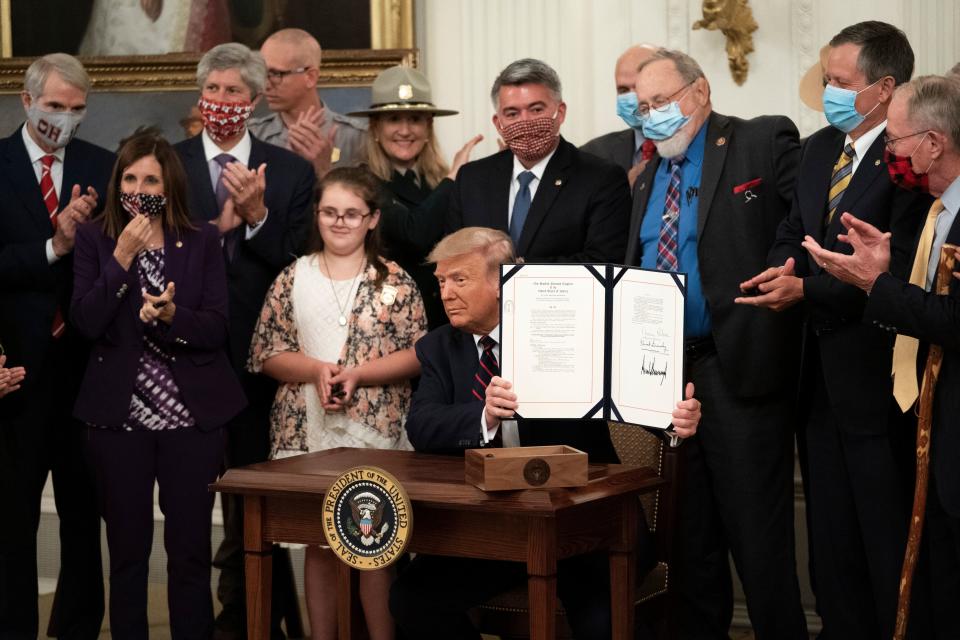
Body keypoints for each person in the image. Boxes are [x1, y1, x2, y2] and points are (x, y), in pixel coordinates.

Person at [390, 226, 701, 640]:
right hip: (496, 532)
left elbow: (646, 407)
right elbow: (421, 427)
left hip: (586, 525)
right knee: (411, 599)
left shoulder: (569, 331)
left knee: (601, 623)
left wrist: (675, 420)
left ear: (502, 282)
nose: (446, 293)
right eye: (441, 281)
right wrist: (484, 416)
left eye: (459, 280)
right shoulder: (439, 348)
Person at [735, 22, 930, 639]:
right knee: (830, 546)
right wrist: (781, 270)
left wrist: (807, 289)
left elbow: (897, 268)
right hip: (811, 379)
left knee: (882, 539)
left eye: (841, 82)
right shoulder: (820, 148)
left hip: (877, 380)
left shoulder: (906, 159)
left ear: (883, 88)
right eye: (826, 80)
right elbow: (794, 230)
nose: (829, 92)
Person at [625, 48, 807, 639]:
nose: (652, 116)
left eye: (663, 101)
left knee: (759, 542)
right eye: (644, 107)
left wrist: (792, 264)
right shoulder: (648, 174)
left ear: (700, 92)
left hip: (740, 369)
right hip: (666, 379)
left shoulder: (760, 140)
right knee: (688, 543)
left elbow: (806, 223)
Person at [70, 128, 245, 639]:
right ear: (116, 182)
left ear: (169, 186)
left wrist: (172, 316)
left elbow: (216, 327)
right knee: (127, 552)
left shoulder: (202, 238)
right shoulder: (94, 239)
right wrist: (122, 258)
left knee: (189, 552)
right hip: (117, 418)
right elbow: (85, 322)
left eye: (151, 178)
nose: (139, 186)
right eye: (129, 177)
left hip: (190, 420)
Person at [803, 74, 960, 639]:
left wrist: (876, 285)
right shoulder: (939, 209)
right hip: (930, 427)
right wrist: (887, 271)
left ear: (933, 143)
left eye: (894, 140)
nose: (888, 153)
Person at [173, 42, 317, 639]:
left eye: (236, 92)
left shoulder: (290, 172)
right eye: (214, 90)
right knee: (186, 505)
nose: (223, 101)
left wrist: (258, 219)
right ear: (200, 96)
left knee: (257, 503)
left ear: (255, 100)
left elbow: (297, 264)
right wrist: (218, 227)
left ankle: (258, 618)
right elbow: (150, 259)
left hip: (262, 365)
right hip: (181, 359)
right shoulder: (166, 164)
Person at [249, 166, 426, 639]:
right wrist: (316, 370)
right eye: (330, 212)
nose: (340, 222)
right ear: (317, 215)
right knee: (319, 545)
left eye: (352, 214)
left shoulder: (394, 280)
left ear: (372, 219)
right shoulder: (294, 276)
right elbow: (267, 351)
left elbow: (418, 352)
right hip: (304, 430)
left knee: (374, 547)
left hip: (375, 431)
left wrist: (358, 375)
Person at [0, 52, 113, 639]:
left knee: (82, 515)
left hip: (85, 373)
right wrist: (55, 246)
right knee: (12, 520)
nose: (64, 120)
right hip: (13, 374)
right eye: (53, 107)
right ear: (26, 101)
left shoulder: (104, 166)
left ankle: (76, 628)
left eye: (76, 109)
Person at [445, 58, 631, 264]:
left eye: (536, 110)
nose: (525, 121)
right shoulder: (471, 180)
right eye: (512, 113)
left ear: (560, 113)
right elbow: (453, 259)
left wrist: (524, 274)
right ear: (498, 123)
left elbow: (604, 261)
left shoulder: (601, 178)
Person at [348, 65, 482, 329]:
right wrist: (454, 177)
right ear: (375, 128)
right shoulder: (362, 181)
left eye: (415, 119)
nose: (406, 130)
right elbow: (415, 233)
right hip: (389, 320)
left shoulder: (438, 180)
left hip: (444, 318)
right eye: (394, 119)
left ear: (428, 126)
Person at [249, 28, 367, 179]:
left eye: (276, 74)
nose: (265, 84)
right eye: (262, 73)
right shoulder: (253, 135)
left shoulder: (356, 138)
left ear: (310, 77)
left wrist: (324, 169)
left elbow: (367, 200)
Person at [581, 43, 660, 187]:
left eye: (638, 86)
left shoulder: (694, 146)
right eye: (623, 90)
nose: (631, 97)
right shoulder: (591, 155)